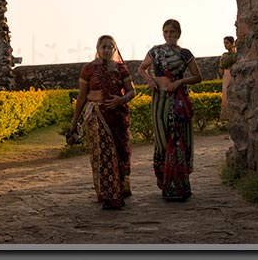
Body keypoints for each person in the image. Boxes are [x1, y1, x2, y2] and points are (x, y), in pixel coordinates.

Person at [68, 35, 136, 210]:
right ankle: (109, 195)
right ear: (97, 49)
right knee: (104, 156)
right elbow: (82, 96)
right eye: (103, 46)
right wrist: (74, 123)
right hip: (97, 117)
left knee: (121, 154)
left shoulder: (120, 68)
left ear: (114, 49)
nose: (106, 50)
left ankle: (119, 188)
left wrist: (120, 101)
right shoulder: (88, 69)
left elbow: (131, 92)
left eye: (109, 47)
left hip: (118, 118)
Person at [138, 19, 202, 201]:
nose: (169, 35)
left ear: (179, 34)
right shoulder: (156, 51)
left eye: (173, 32)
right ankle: (165, 180)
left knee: (178, 141)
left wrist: (179, 82)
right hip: (159, 101)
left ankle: (179, 185)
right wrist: (150, 80)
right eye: (166, 32)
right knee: (162, 139)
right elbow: (142, 69)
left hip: (177, 101)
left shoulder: (185, 53)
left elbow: (198, 77)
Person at [218, 36, 237, 121]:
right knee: (226, 97)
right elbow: (220, 69)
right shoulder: (224, 55)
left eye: (227, 43)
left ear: (233, 43)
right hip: (226, 77)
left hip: (233, 76)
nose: (225, 45)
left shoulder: (237, 55)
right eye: (224, 43)